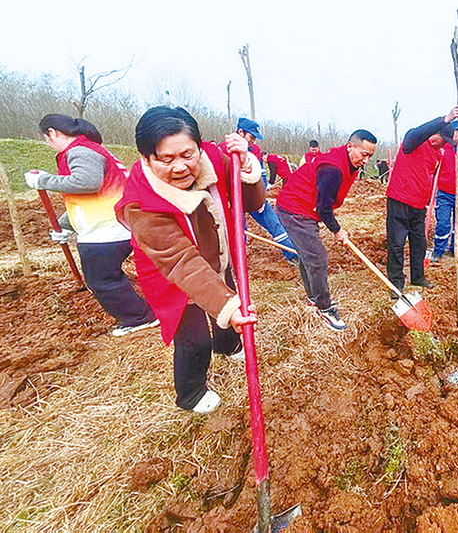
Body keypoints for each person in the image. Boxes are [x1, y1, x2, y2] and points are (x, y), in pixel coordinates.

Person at [115, 106, 262, 413]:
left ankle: (228, 345)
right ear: (146, 157)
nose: (180, 167)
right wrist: (228, 306)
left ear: (198, 146)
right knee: (194, 339)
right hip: (174, 274)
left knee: (226, 304)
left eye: (187, 155)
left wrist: (246, 164)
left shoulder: (213, 157)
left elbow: (250, 202)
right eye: (166, 159)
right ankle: (191, 393)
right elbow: (181, 261)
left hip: (218, 254)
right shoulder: (141, 203)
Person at [24, 114, 158, 336]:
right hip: (111, 225)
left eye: (46, 139)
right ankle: (138, 314)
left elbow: (87, 183)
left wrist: (43, 181)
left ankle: (138, 317)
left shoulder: (80, 151)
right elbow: (88, 199)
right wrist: (65, 226)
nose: (48, 144)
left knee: (102, 280)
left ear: (52, 133)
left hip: (107, 230)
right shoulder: (88, 149)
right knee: (104, 277)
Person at [276, 129, 377, 330]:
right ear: (350, 146)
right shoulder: (332, 168)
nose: (366, 161)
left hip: (305, 207)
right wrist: (337, 230)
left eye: (370, 156)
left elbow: (324, 203)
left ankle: (314, 298)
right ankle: (324, 308)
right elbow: (323, 207)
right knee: (317, 258)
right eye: (364, 154)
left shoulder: (348, 162)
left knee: (309, 255)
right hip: (294, 208)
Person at [385, 106, 458, 292]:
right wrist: (444, 119)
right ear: (433, 133)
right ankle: (396, 284)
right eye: (441, 139)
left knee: (419, 243)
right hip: (399, 200)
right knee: (396, 244)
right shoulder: (412, 142)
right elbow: (420, 132)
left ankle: (418, 277)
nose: (442, 144)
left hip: (418, 205)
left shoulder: (438, 153)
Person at [223, 118, 298, 262]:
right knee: (238, 233)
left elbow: (261, 176)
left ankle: (293, 255)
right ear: (240, 132)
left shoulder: (255, 151)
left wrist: (260, 198)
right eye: (251, 137)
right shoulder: (225, 150)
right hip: (233, 200)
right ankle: (237, 264)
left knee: (274, 223)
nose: (254, 142)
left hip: (252, 197)